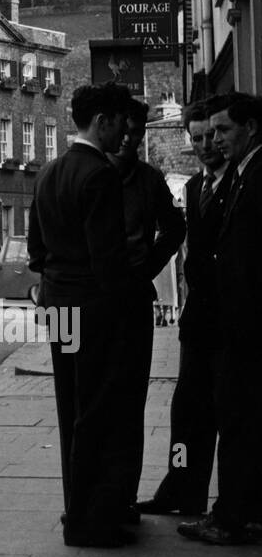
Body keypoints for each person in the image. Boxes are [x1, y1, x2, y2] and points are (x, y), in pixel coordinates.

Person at [27, 82, 136, 547]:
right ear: (102, 121)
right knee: (98, 412)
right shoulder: (102, 175)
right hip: (95, 310)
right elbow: (106, 259)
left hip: (60, 306)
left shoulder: (49, 172)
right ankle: (93, 521)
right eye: (121, 124)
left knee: (70, 406)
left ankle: (77, 513)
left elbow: (35, 251)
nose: (126, 135)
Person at [178, 92, 262, 545]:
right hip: (226, 321)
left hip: (242, 324)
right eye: (208, 133)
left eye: (224, 130)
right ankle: (238, 508)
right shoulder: (242, 176)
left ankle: (230, 516)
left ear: (250, 128)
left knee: (237, 422)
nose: (215, 141)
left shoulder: (255, 176)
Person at [140, 100, 229, 517]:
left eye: (211, 135)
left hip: (234, 323)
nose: (205, 145)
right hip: (198, 321)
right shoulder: (195, 188)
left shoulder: (240, 183)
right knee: (186, 414)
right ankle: (180, 488)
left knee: (230, 415)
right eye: (196, 138)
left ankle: (233, 504)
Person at [106, 99, 185, 518]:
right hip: (89, 303)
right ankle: (91, 499)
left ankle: (122, 497)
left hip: (132, 301)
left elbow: (175, 229)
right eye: (125, 130)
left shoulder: (150, 179)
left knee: (130, 400)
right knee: (92, 405)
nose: (130, 140)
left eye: (137, 133)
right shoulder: (85, 173)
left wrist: (146, 269)